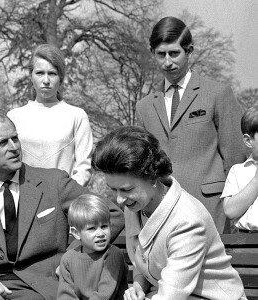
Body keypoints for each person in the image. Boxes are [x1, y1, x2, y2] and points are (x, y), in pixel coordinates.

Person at [0, 112, 124, 300]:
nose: (14, 147)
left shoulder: (54, 182)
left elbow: (112, 213)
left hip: (44, 286)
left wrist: (73, 258)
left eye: (15, 138)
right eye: (2, 143)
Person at [92, 125, 247, 300]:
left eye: (127, 189)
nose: (119, 200)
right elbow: (142, 257)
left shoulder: (187, 220)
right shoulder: (134, 205)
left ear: (152, 177)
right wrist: (138, 285)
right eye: (114, 190)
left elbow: (171, 295)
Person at [136, 16, 245, 233]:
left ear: (189, 51)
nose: (168, 62)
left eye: (174, 53)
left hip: (210, 209)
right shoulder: (145, 106)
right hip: (162, 211)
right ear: (153, 54)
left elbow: (235, 157)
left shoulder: (217, 93)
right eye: (161, 54)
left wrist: (234, 208)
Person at [7, 43, 93, 187]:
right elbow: (7, 163)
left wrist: (65, 195)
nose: (46, 80)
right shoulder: (14, 117)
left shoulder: (76, 116)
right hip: (24, 199)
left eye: (52, 73)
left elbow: (84, 168)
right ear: (31, 76)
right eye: (40, 73)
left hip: (63, 199)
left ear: (60, 77)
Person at [56, 194, 128, 300]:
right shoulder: (68, 259)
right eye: (92, 229)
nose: (100, 233)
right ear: (76, 233)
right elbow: (66, 295)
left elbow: (105, 295)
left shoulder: (113, 254)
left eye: (104, 226)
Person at [221, 104, 258, 232]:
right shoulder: (238, 171)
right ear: (248, 141)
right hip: (247, 242)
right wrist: (256, 180)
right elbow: (230, 211)